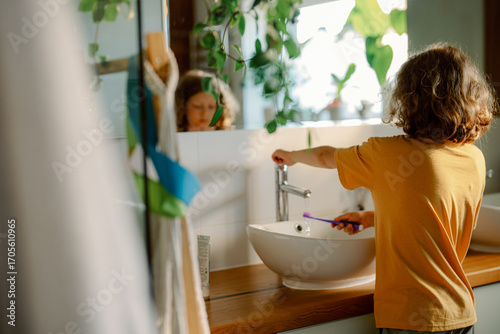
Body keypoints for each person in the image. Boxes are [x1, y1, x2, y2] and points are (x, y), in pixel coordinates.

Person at [272, 44, 497, 333]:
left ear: (409, 99)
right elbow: (438, 222)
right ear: (471, 96)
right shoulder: (474, 158)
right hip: (461, 312)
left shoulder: (386, 154)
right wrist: (371, 219)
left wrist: (291, 155)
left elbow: (326, 156)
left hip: (411, 317)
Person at [174, 69, 239, 131]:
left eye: (211, 107)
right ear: (183, 106)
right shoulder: (173, 137)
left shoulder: (228, 137)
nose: (205, 113)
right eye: (198, 106)